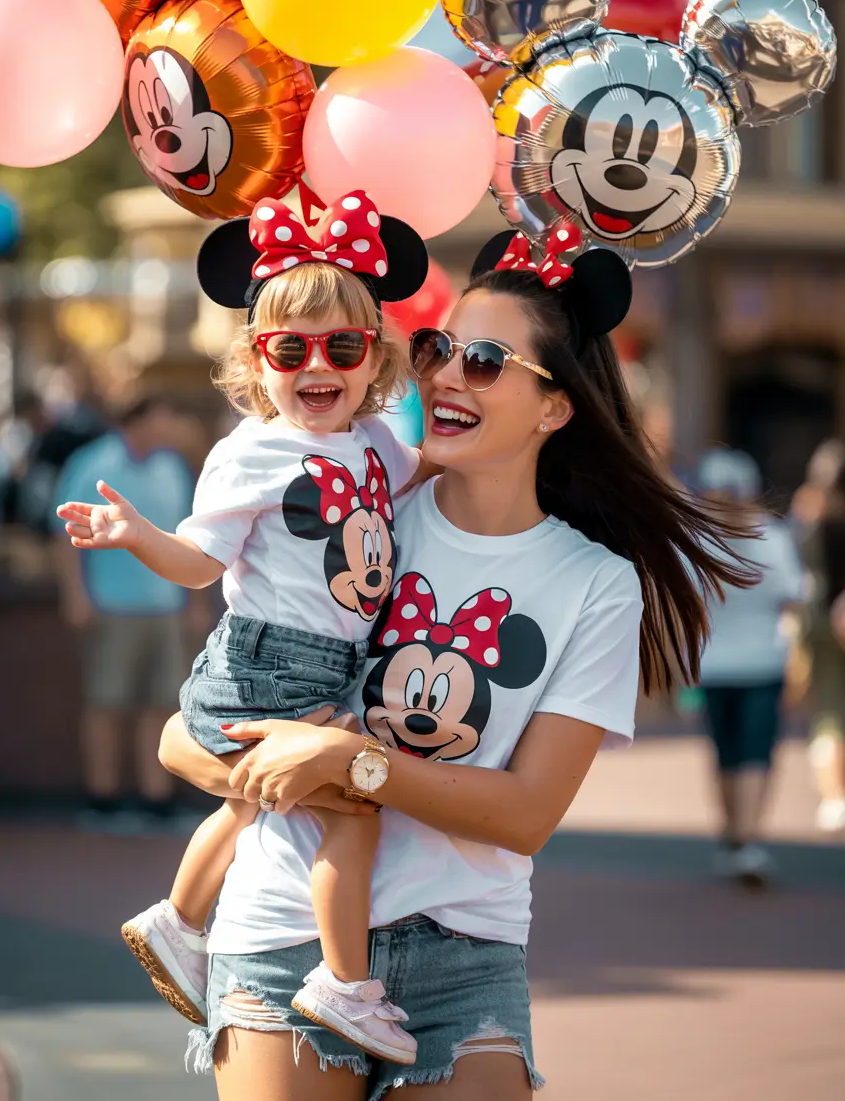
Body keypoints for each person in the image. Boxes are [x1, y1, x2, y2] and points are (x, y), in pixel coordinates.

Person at [153, 224, 755, 1101]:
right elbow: (187, 732)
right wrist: (239, 754)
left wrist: (345, 761)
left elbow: (525, 816)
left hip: (467, 948)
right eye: (437, 347)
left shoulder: (596, 584)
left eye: (483, 359)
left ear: (554, 407)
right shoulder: (359, 502)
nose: (441, 374)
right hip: (285, 929)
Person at [57, 191, 434, 1064]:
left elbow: (434, 480)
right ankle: (346, 984)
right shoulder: (254, 450)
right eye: (289, 348)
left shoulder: (376, 439)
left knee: (259, 797)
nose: (317, 365)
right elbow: (201, 559)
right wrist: (138, 537)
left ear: (371, 357)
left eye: (342, 347)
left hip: (330, 664)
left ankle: (180, 922)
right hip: (268, 661)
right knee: (353, 811)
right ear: (256, 361)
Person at [52, 395, 195, 824]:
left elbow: (189, 535)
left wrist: (196, 600)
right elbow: (64, 533)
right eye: (165, 413)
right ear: (143, 417)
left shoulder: (172, 467)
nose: (171, 423)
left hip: (166, 607)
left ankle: (156, 800)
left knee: (161, 703)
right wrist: (76, 595)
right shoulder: (94, 461)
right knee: (107, 703)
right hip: (112, 607)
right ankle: (103, 799)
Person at [695, 448, 805, 883]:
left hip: (719, 662)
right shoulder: (770, 536)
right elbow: (795, 599)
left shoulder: (697, 538)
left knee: (728, 752)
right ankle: (744, 839)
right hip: (759, 661)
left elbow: (681, 608)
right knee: (753, 751)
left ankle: (736, 838)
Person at [790, 440, 845, 833]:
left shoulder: (810, 518)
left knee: (830, 712)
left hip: (821, 626)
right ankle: (842, 793)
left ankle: (836, 798)